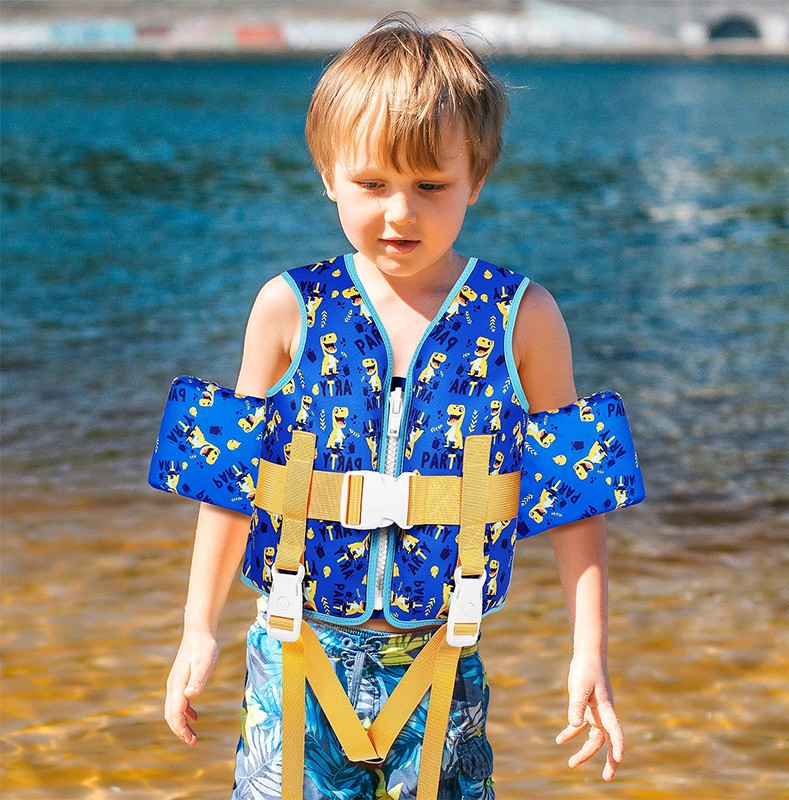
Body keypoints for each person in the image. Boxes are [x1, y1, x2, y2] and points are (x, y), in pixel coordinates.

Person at [163, 14, 629, 800]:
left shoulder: (525, 317)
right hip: (295, 651)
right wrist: (196, 630)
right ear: (328, 174)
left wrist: (590, 654)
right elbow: (230, 480)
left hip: (444, 658)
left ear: (477, 179)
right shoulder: (286, 308)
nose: (400, 213)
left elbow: (575, 498)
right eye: (372, 184)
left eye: (431, 186)